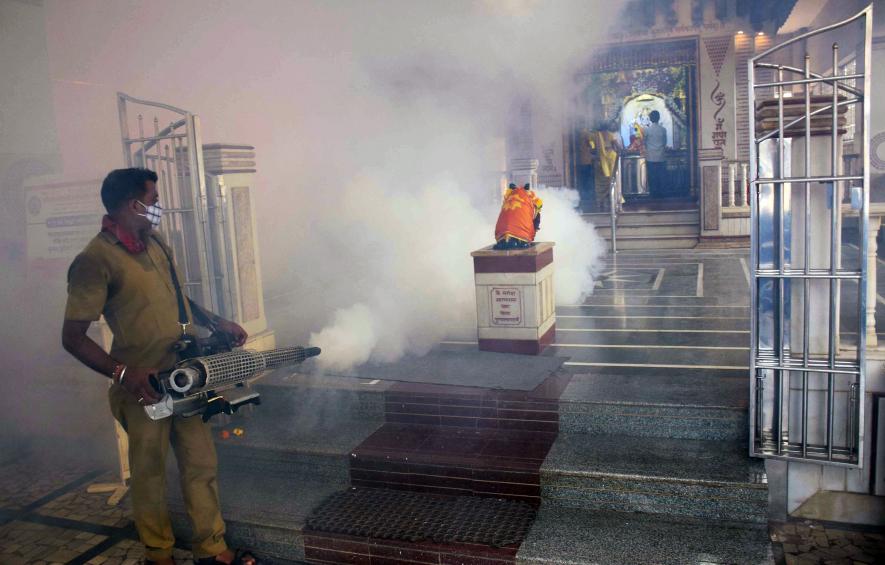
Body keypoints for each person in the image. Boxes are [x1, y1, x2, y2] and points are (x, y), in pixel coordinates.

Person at [61, 168, 257, 565]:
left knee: (200, 463)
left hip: (183, 377)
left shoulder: (157, 243)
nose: (157, 210)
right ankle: (158, 554)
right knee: (149, 475)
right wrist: (122, 374)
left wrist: (217, 322)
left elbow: (180, 301)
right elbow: (72, 337)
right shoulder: (94, 260)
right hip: (143, 387)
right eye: (152, 202)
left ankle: (213, 547)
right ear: (131, 205)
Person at [493, 183, 542, 250]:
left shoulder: (508, 198)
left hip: (502, 235)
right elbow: (537, 215)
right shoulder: (531, 199)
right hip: (521, 234)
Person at [590, 121, 622, 212]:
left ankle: (600, 203)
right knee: (611, 180)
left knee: (600, 182)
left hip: (599, 160)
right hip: (611, 159)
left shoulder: (594, 136)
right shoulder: (611, 135)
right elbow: (618, 147)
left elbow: (592, 148)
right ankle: (611, 202)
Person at [643, 110, 668, 198]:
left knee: (652, 176)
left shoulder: (647, 130)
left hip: (650, 157)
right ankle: (662, 194)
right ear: (659, 118)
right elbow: (665, 142)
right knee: (661, 176)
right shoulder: (663, 129)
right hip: (661, 156)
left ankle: (653, 194)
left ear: (650, 118)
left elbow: (644, 142)